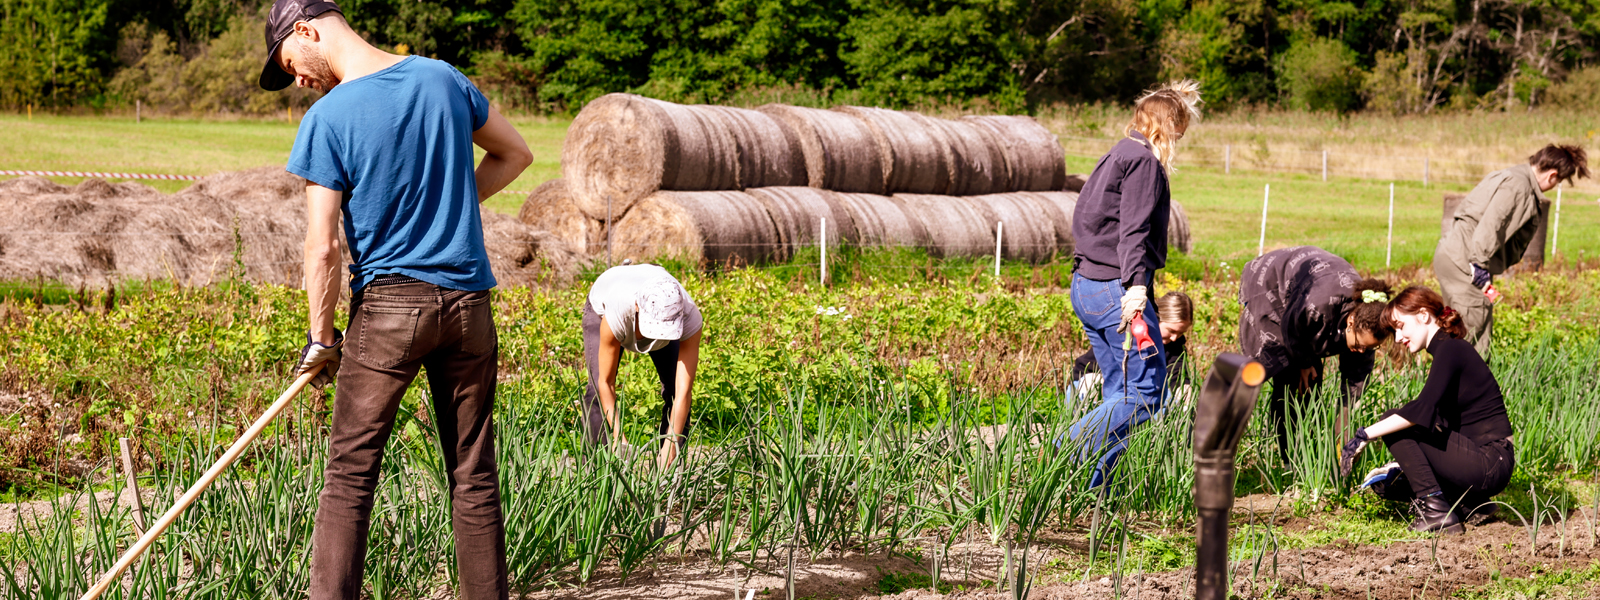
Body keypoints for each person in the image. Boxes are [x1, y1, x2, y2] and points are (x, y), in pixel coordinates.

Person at [268, 0, 533, 598]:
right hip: (469, 307)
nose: (299, 80)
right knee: (473, 475)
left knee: (349, 479)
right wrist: (450, 208)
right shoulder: (442, 78)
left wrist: (321, 337)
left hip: (389, 310)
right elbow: (516, 154)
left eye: (292, 63)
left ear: (307, 30)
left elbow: (322, 249)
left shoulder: (328, 118)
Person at [1065, 80, 1201, 488]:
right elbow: (1134, 231)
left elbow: (1085, 220)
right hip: (1117, 289)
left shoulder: (1116, 153)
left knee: (1118, 392)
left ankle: (1092, 486)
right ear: (1166, 128)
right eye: (1179, 132)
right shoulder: (1143, 162)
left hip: (1086, 284)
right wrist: (1137, 289)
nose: (1179, 140)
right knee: (1145, 393)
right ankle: (1061, 449)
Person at [1339, 286, 1515, 534]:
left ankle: (1436, 511)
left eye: (1400, 326)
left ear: (1423, 315)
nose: (1398, 338)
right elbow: (1434, 421)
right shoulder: (1448, 349)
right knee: (1390, 486)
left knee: (1394, 419)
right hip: (1486, 461)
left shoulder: (1451, 349)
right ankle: (1472, 505)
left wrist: (1364, 435)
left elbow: (1421, 411)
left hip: (1490, 463)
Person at [1238, 246, 1393, 462]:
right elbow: (1293, 326)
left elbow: (1355, 383)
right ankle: (1288, 458)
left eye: (1369, 348)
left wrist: (1345, 426)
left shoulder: (1368, 324)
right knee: (1284, 373)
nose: (1361, 351)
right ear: (1350, 322)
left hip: (1309, 298)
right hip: (1271, 286)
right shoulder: (1318, 304)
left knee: (1309, 384)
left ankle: (1303, 452)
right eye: (1359, 344)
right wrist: (1303, 362)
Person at [1435, 144, 1588, 358]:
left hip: (1457, 255)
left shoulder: (1513, 176)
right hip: (1467, 261)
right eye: (1559, 181)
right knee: (1471, 333)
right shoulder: (1519, 186)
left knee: (1462, 327)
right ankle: (1459, 388)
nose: (1555, 185)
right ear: (1553, 176)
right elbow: (1493, 223)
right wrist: (1478, 265)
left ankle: (1452, 384)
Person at [582, 263, 704, 469]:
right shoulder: (617, 311)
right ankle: (595, 473)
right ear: (638, 308)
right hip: (603, 302)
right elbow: (606, 382)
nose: (657, 334)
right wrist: (619, 437)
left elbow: (683, 392)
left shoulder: (688, 317)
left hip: (661, 308)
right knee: (595, 391)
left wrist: (671, 444)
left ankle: (668, 472)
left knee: (675, 391)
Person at [1069, 291, 1195, 394]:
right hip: (1094, 383)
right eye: (1171, 331)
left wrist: (1184, 390)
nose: (1174, 338)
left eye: (1180, 333)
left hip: (1133, 392)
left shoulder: (1175, 344)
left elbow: (1177, 375)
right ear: (1156, 320)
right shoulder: (1129, 332)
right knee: (1093, 383)